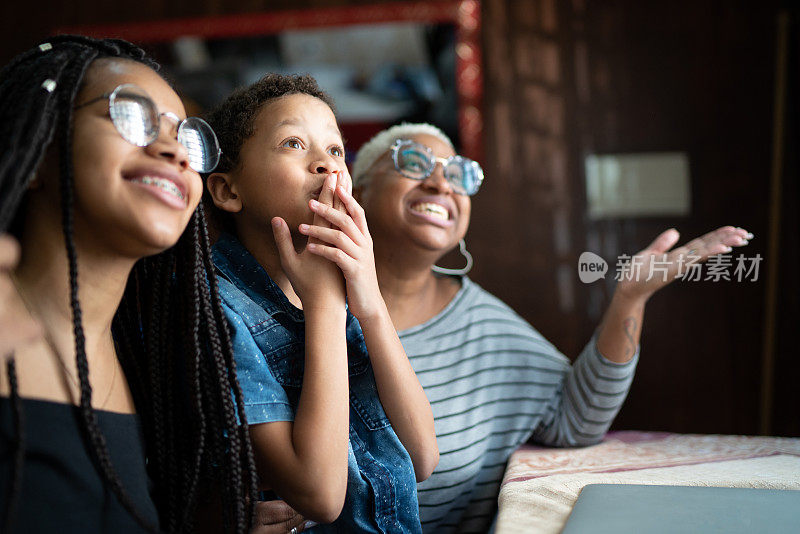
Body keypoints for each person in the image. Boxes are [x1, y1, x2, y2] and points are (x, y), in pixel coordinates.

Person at [350, 122, 753, 533]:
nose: (441, 184)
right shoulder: (300, 307)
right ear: (357, 190)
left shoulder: (484, 326)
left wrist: (629, 300)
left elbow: (574, 417)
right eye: (414, 162)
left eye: (458, 174)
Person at [0, 36, 260, 533]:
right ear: (36, 149)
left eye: (187, 139)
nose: (173, 151)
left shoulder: (153, 372)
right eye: (130, 116)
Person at [203, 74, 439, 533]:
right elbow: (321, 496)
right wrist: (326, 308)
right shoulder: (220, 309)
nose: (326, 166)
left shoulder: (335, 285)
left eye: (334, 150)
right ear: (228, 191)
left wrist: (368, 299)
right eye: (293, 143)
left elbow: (423, 455)